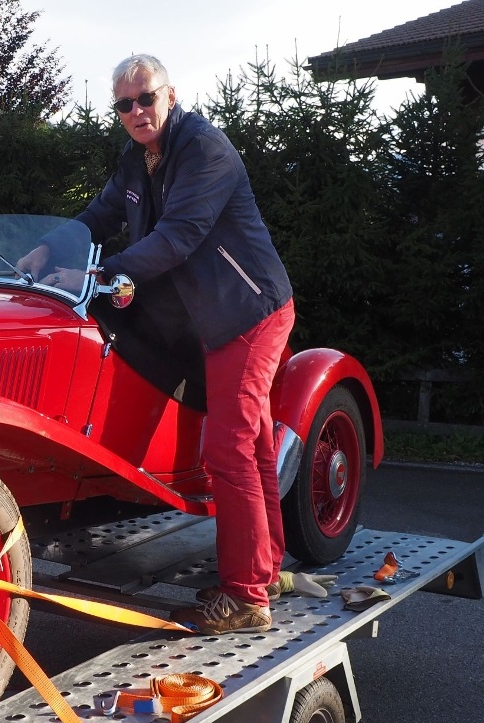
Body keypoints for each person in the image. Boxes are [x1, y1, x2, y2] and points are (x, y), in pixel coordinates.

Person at [19, 54, 295, 635]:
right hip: (204, 319)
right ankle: (266, 570)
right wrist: (48, 248)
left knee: (229, 450)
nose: (138, 111)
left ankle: (247, 599)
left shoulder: (204, 150)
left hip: (245, 313)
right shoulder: (135, 160)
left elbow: (179, 237)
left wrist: (96, 277)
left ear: (172, 95)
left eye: (147, 98)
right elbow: (99, 214)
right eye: (125, 104)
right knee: (256, 447)